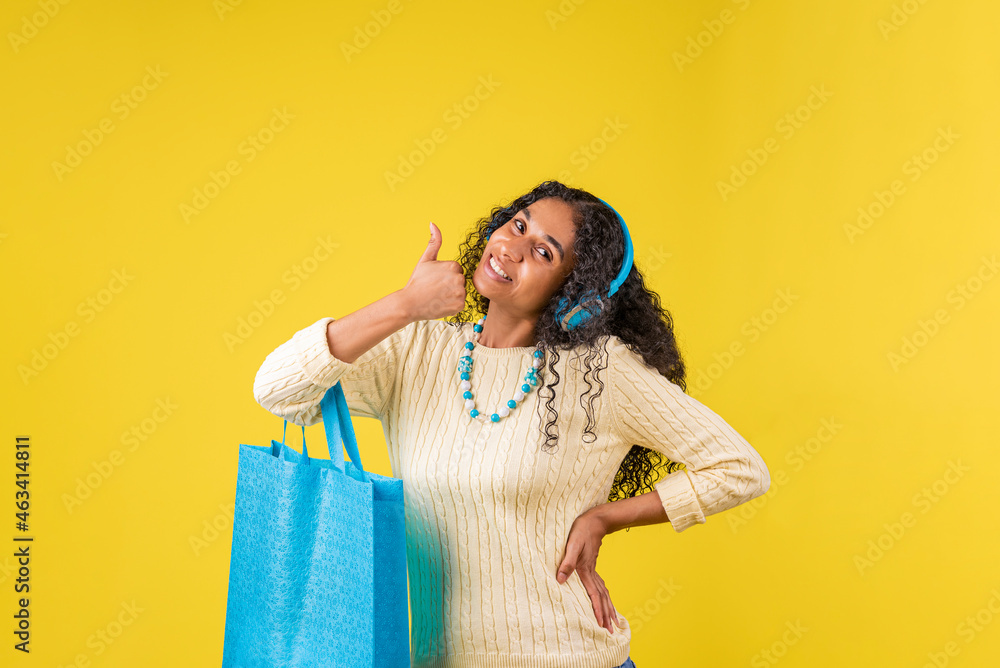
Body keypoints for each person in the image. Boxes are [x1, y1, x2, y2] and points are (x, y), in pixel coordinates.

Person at [252, 180, 771, 668]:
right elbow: (276, 389)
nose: (512, 248)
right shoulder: (418, 349)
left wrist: (604, 518)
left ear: (575, 296)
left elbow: (740, 467)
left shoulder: (598, 372)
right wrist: (405, 305)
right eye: (519, 225)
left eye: (544, 252)